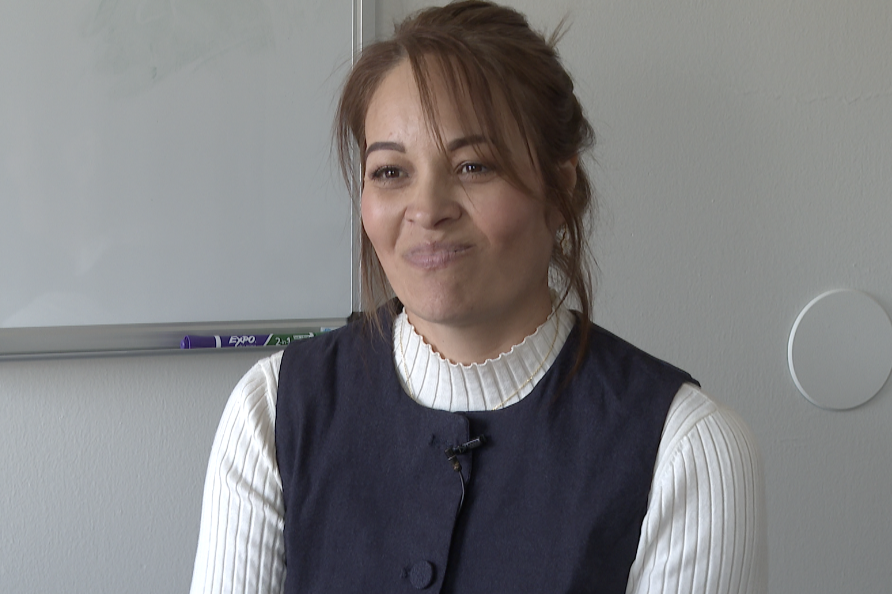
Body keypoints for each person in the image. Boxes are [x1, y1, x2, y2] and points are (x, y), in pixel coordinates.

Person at [189, 2, 767, 593]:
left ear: (559, 187)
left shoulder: (686, 449)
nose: (427, 209)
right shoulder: (273, 410)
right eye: (390, 171)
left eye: (473, 166)